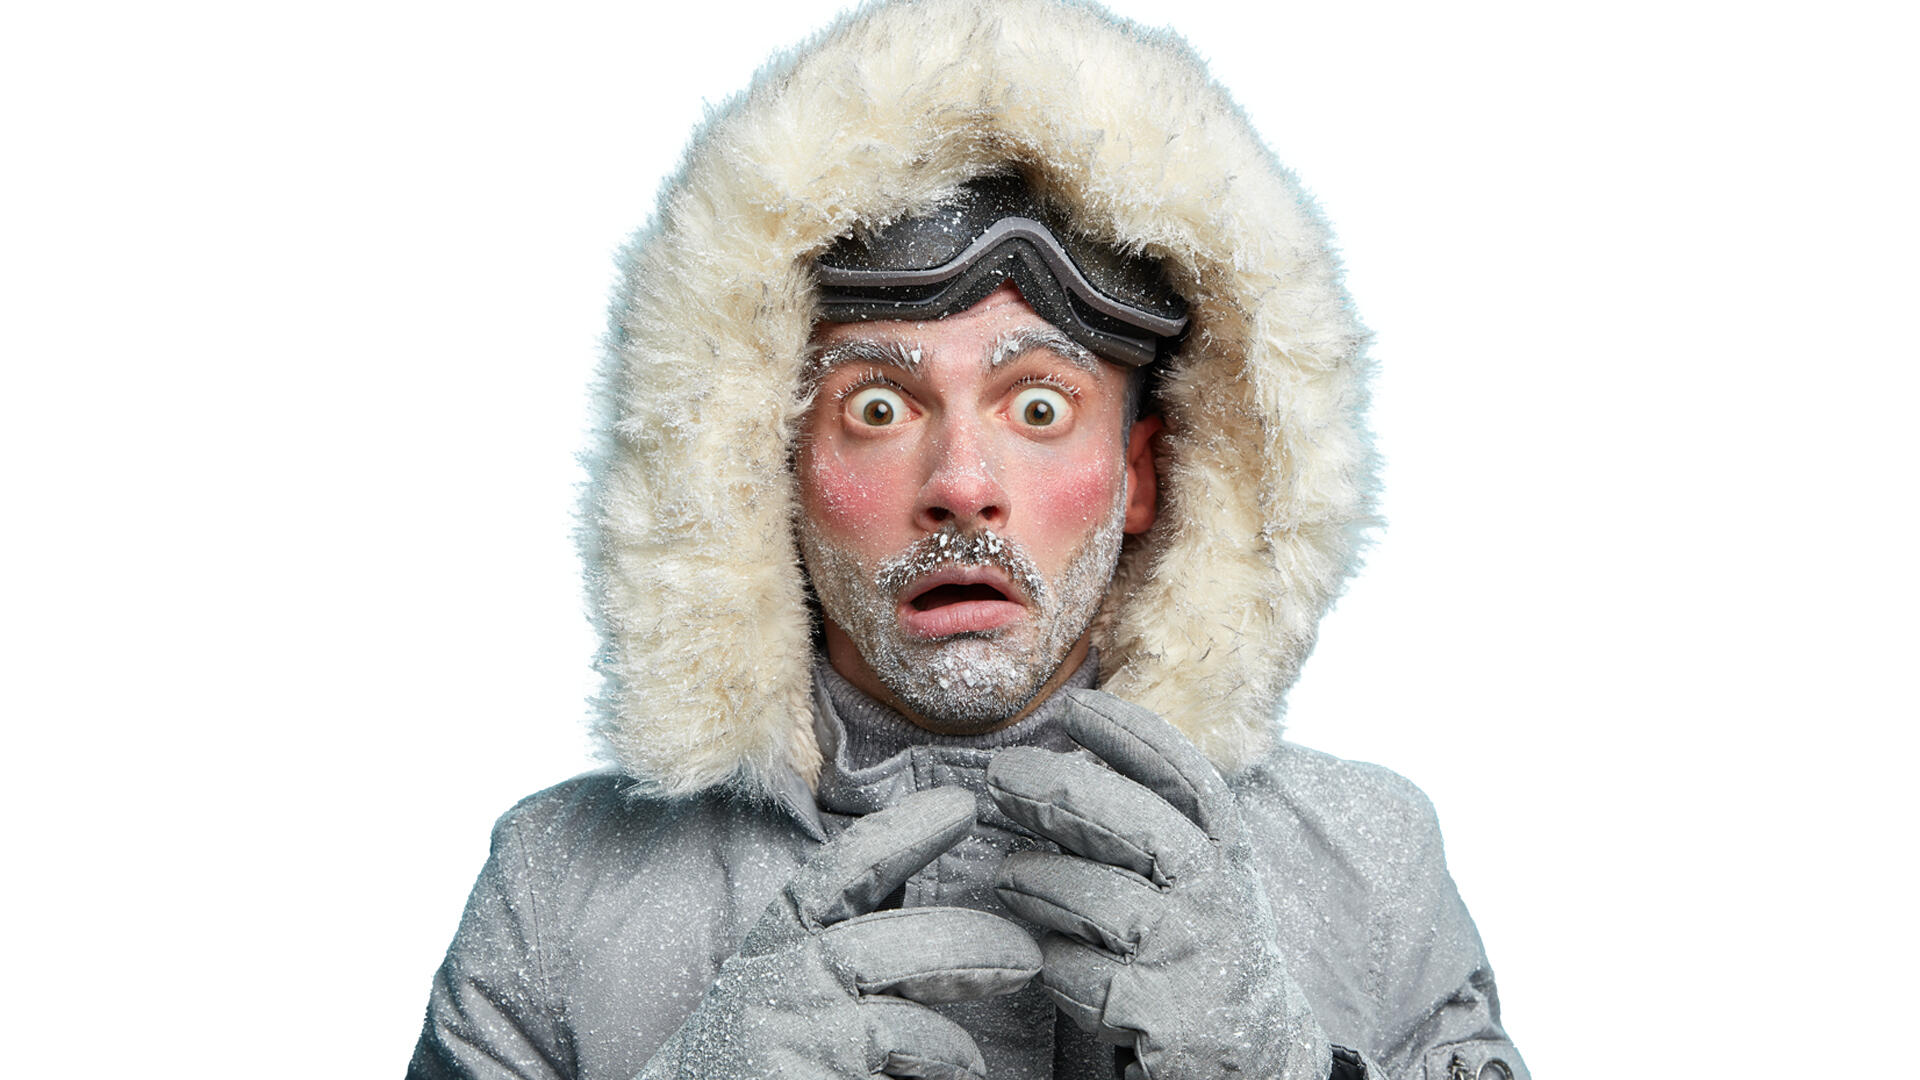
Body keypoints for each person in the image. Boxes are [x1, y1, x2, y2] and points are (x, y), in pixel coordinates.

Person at [410, 2, 1527, 1078]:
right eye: (877, 408)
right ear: (765, 471)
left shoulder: (1369, 870)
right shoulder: (557, 893)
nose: (961, 486)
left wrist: (1289, 1070)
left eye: (1039, 406)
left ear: (1143, 476)